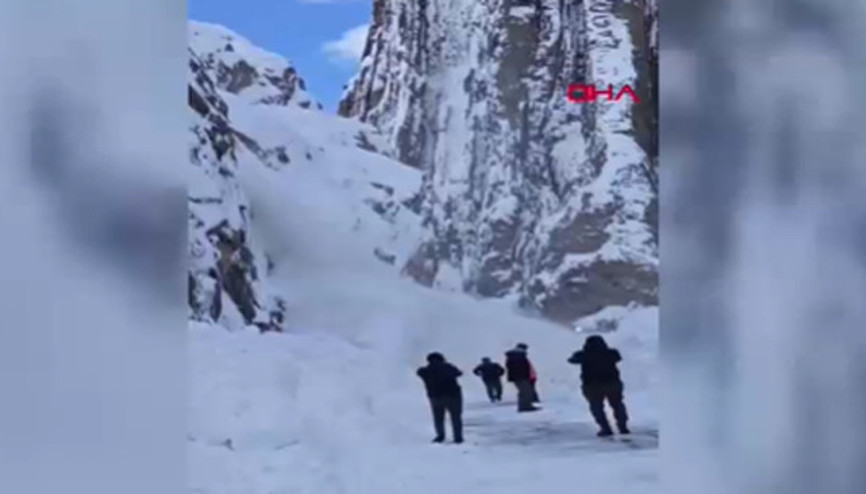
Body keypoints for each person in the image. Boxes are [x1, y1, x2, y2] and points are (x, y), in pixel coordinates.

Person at [567, 335, 630, 437]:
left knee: (597, 408)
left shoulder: (583, 355)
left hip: (592, 385)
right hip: (612, 383)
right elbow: (618, 358)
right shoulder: (611, 353)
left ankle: (605, 428)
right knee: (617, 405)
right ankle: (623, 427)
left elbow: (571, 360)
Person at [417, 352, 464, 443]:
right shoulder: (448, 367)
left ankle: (440, 436)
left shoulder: (426, 370)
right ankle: (458, 437)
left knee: (438, 418)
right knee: (456, 417)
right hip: (453, 395)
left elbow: (419, 372)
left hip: (435, 397)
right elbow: (459, 373)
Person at [505, 343, 539, 412]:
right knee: (526, 392)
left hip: (519, 377)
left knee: (525, 392)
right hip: (522, 377)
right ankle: (525, 406)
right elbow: (524, 368)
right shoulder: (519, 357)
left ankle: (525, 405)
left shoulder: (513, 356)